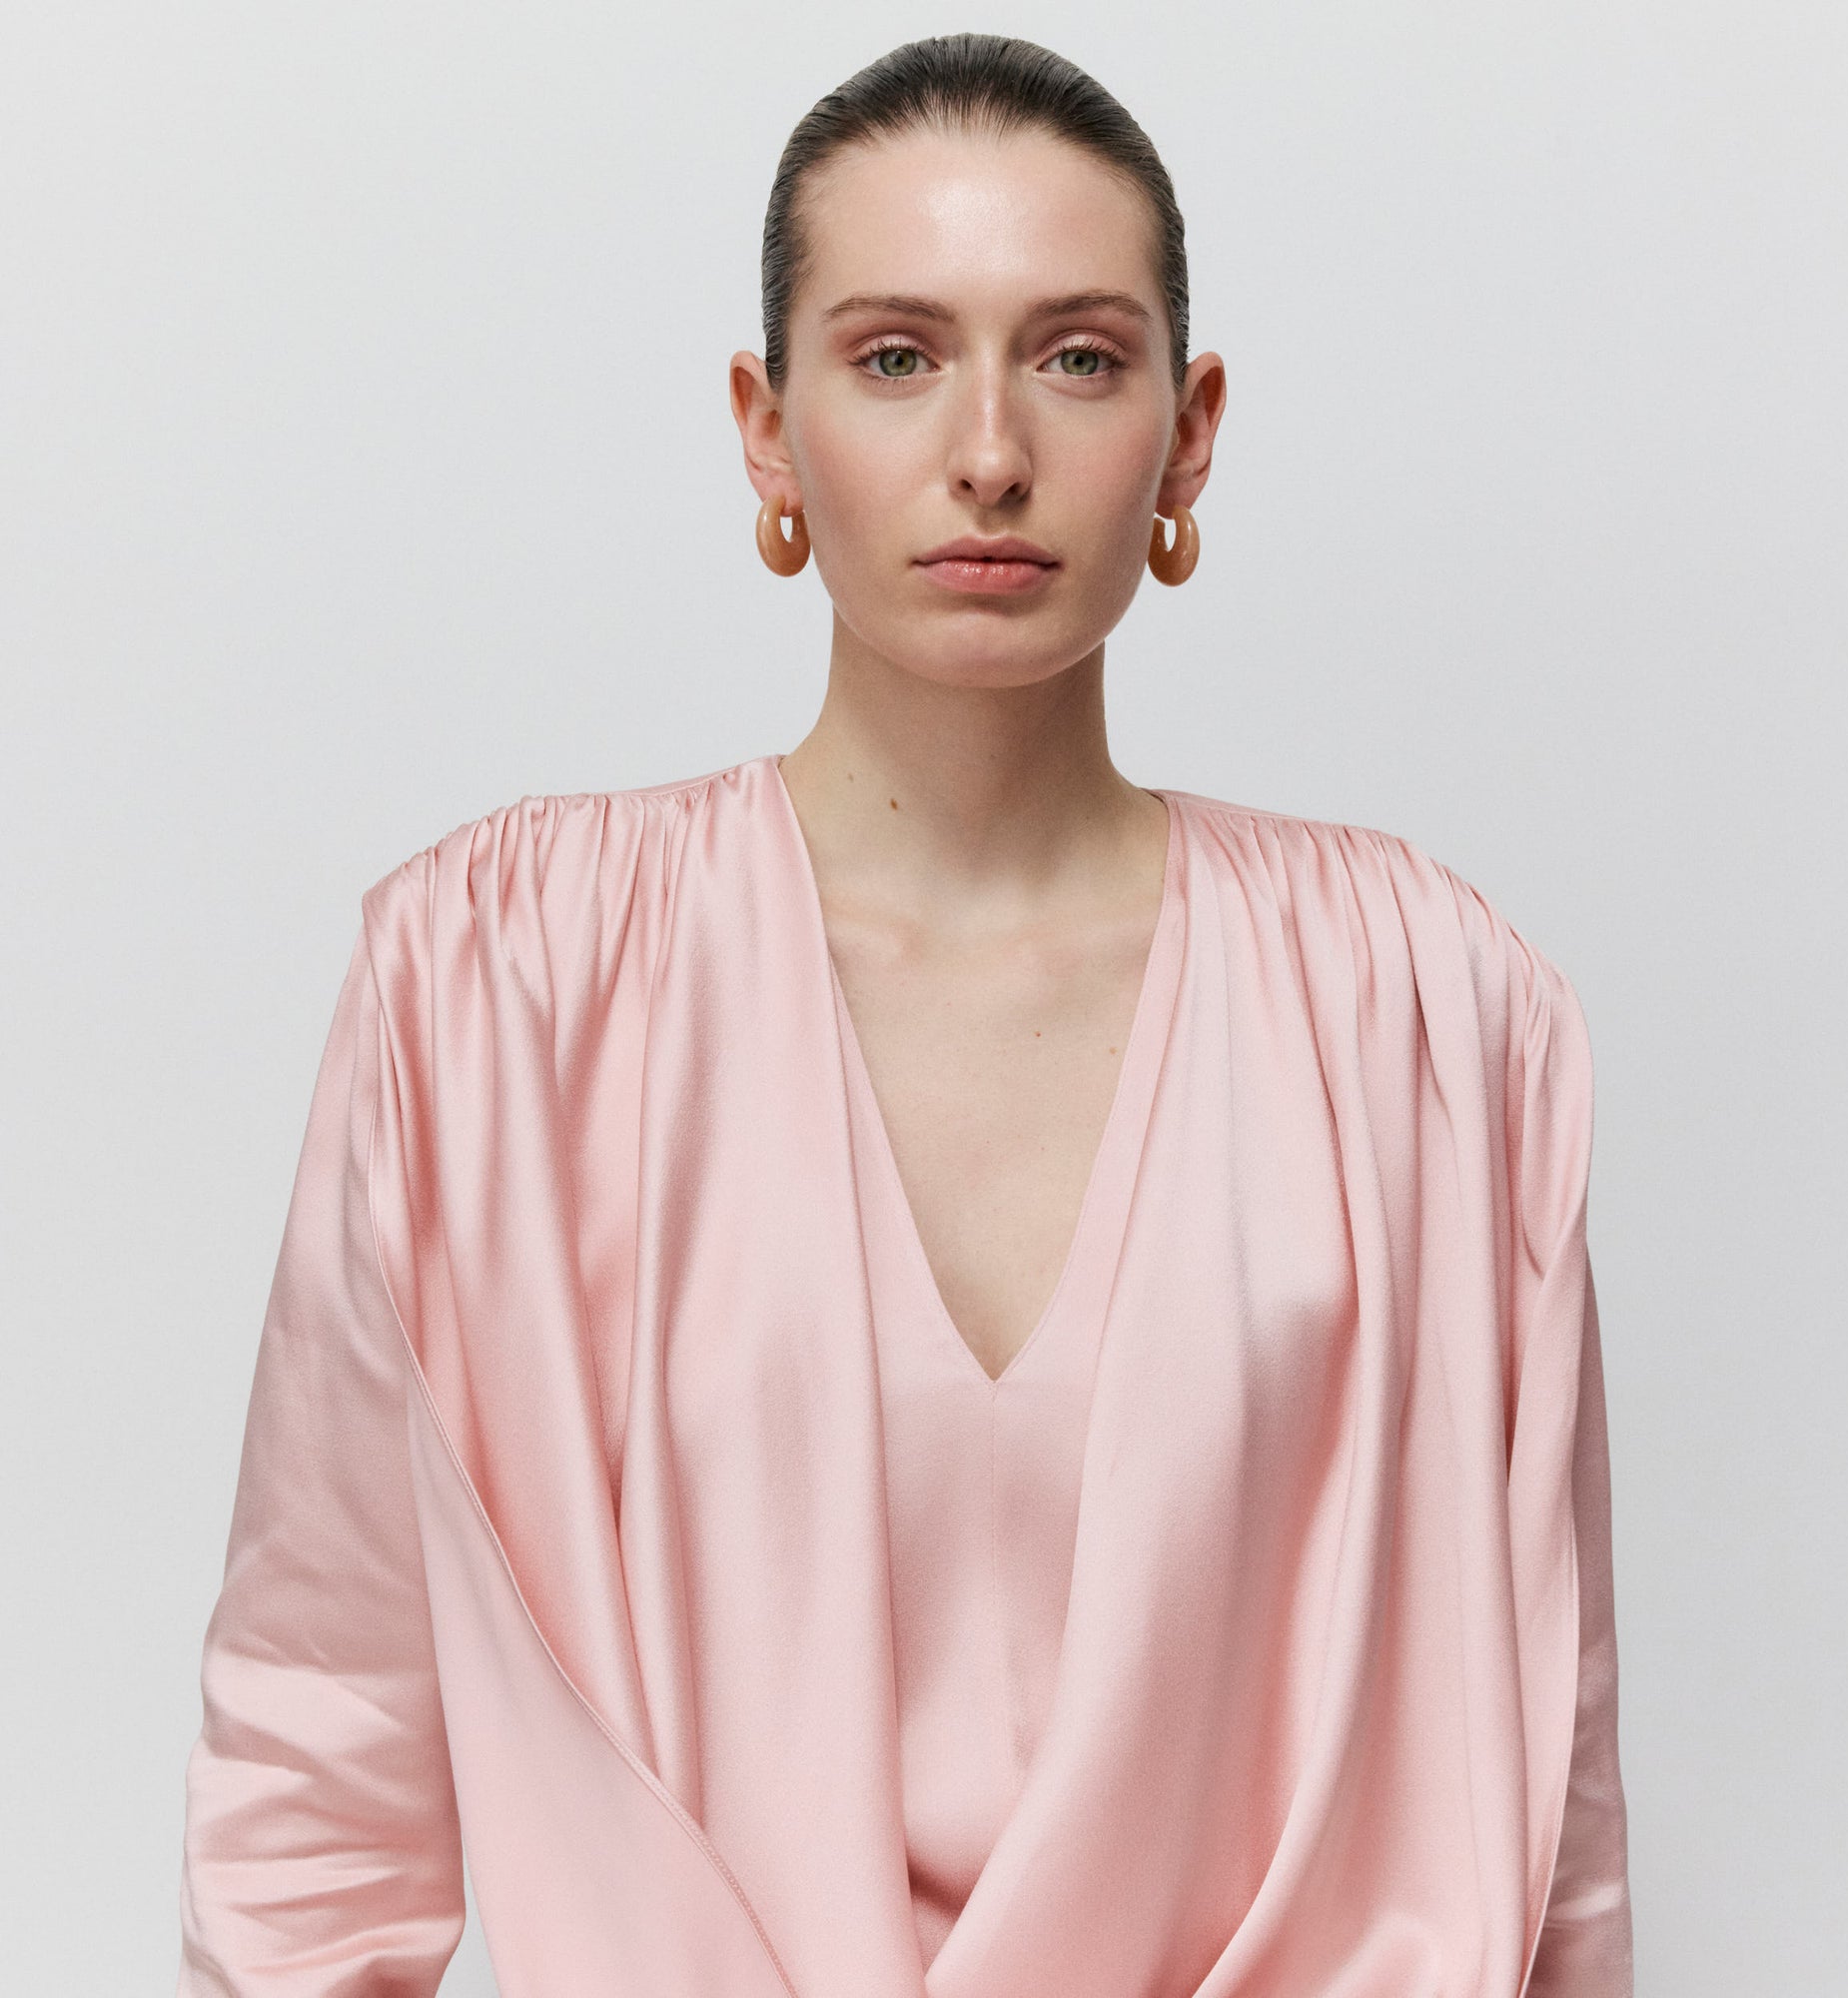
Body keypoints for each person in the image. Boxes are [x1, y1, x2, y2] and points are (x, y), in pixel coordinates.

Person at [176, 33, 1634, 1998]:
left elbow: (1545, 1821)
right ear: (765, 430)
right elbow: (314, 1783)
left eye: (1079, 356)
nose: (990, 449)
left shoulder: (1426, 1020)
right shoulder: (498, 995)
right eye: (893, 356)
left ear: (1190, 432)